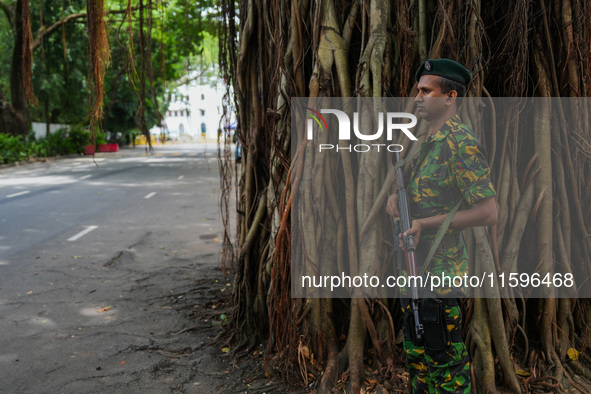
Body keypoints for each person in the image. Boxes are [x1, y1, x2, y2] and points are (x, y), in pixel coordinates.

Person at [385, 58, 498, 393]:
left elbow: (489, 212)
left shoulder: (459, 144)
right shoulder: (426, 142)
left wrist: (424, 223)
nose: (418, 97)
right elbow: (421, 193)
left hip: (441, 277)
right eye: (418, 90)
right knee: (419, 362)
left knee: (445, 364)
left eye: (426, 91)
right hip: (415, 272)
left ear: (450, 97)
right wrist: (396, 200)